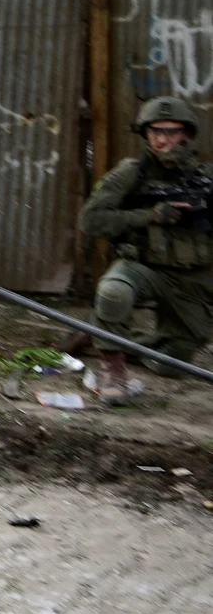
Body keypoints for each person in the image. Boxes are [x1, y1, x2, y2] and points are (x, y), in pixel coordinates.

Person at [77, 95, 213, 405]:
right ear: (146, 135)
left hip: (191, 280)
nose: (164, 140)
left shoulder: (208, 178)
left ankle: (101, 331)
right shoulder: (130, 174)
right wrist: (150, 215)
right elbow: (91, 220)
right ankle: (112, 369)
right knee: (113, 291)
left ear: (188, 134)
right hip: (143, 269)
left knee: (172, 362)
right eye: (156, 132)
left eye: (172, 132)